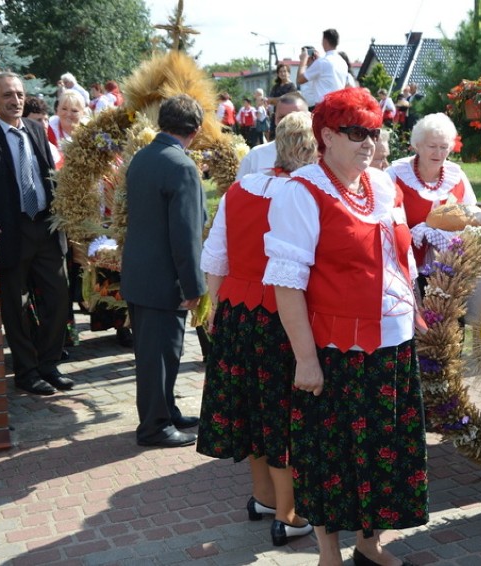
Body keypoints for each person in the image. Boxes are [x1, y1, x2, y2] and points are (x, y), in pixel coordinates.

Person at [263, 87, 426, 566]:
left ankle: (369, 543)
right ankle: (328, 552)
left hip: (393, 342)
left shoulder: (382, 184)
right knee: (330, 457)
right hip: (336, 349)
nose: (368, 143)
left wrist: (415, 311)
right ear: (327, 136)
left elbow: (401, 258)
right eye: (356, 133)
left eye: (373, 133)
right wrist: (306, 358)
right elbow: (287, 284)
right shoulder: (301, 192)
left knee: (382, 450)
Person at [198, 111, 317, 547]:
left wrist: (214, 308)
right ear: (309, 148)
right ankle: (290, 512)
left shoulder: (239, 188)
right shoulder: (303, 193)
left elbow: (215, 255)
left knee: (249, 405)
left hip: (235, 309)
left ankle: (263, 497)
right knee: (282, 410)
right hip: (278, 314)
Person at [0, 72, 71, 395]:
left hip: (46, 228)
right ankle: (27, 371)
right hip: (11, 231)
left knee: (59, 297)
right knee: (15, 307)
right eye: (7, 95)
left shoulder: (36, 130)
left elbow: (51, 175)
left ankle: (49, 363)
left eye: (19, 94)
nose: (15, 100)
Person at [120, 94, 207, 448]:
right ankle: (154, 427)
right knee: (159, 356)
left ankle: (166, 410)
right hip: (162, 278)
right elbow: (184, 233)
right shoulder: (181, 166)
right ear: (196, 131)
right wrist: (194, 285)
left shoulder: (143, 156)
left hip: (141, 272)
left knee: (156, 353)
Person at [387, 112, 476, 267]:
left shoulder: (457, 176)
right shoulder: (395, 174)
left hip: (453, 270)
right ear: (417, 145)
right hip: (404, 266)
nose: (438, 153)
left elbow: (473, 217)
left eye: (444, 147)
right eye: (432, 146)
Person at [236, 93, 308, 178]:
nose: (288, 122)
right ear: (275, 120)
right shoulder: (255, 156)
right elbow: (238, 189)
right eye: (282, 118)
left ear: (310, 118)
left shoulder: (323, 157)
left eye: (296, 117)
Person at [296, 28, 348, 109]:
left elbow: (300, 79)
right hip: (339, 106)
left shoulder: (322, 62)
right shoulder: (342, 62)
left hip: (324, 107)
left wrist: (303, 60)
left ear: (325, 41)